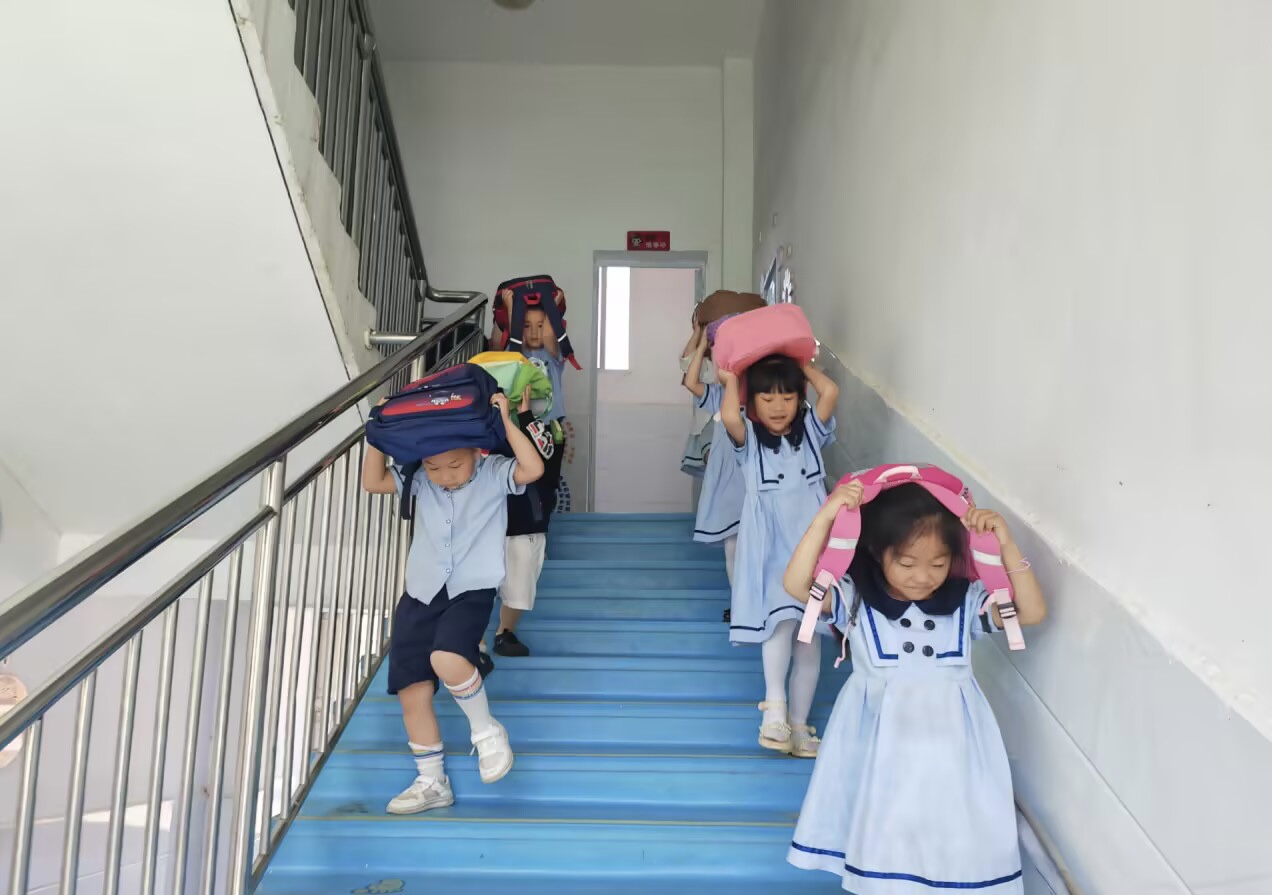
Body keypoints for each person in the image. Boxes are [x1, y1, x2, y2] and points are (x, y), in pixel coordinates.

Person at [783, 479, 1047, 893]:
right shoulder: (856, 600)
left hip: (951, 748)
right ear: (877, 551)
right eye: (907, 563)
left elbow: (1030, 612)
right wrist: (826, 518)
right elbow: (797, 585)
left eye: (938, 564)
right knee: (886, 844)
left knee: (948, 838)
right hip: (879, 748)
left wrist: (1006, 545)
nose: (923, 577)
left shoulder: (963, 602)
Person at [361, 392, 545, 814]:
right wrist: (377, 432)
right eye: (433, 466)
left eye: (455, 465)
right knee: (412, 689)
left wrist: (505, 420)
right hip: (420, 591)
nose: (444, 475)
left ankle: (486, 732)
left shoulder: (494, 471)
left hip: (470, 588)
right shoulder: (419, 479)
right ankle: (432, 782)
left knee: (447, 658)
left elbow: (533, 469)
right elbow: (373, 482)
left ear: (476, 452)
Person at [718, 354, 839, 757]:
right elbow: (730, 417)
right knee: (780, 626)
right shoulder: (750, 441)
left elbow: (830, 392)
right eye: (767, 397)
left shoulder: (811, 435)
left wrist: (802, 364)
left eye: (787, 397)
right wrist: (731, 379)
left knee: (810, 638)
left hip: (812, 548)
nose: (778, 406)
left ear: (799, 398)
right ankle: (774, 711)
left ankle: (800, 726)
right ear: (752, 401)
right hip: (771, 549)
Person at [491, 389, 563, 657]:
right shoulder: (483, 431)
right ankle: (473, 641)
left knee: (519, 587)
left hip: (526, 525)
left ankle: (504, 633)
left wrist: (525, 418)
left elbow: (547, 466)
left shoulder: (549, 431)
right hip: (485, 523)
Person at [681, 326, 744, 592]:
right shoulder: (719, 395)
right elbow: (690, 382)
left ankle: (750, 604)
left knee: (751, 549)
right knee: (732, 548)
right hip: (730, 484)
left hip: (754, 483)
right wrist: (703, 345)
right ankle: (739, 603)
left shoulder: (763, 399)